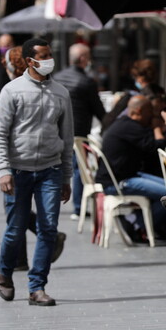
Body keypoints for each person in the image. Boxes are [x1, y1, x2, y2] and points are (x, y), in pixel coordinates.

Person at [0, 37, 73, 306]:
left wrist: (66, 176)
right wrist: (3, 170)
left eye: (50, 54)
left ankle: (36, 287)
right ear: (29, 61)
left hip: (50, 169)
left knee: (48, 229)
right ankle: (4, 273)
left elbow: (67, 137)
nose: (49, 60)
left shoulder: (61, 92)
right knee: (15, 229)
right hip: (17, 171)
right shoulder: (12, 91)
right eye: (43, 55)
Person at [95, 95, 166, 241]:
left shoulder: (125, 123)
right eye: (149, 111)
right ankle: (135, 224)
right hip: (119, 181)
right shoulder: (130, 127)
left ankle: (134, 219)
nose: (152, 114)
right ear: (139, 110)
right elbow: (156, 147)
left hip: (127, 174)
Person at [53, 43, 106, 220]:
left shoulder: (57, 78)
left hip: (57, 130)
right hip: (78, 132)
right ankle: (77, 207)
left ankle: (52, 202)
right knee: (78, 169)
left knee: (56, 167)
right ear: (83, 58)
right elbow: (99, 110)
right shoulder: (86, 82)